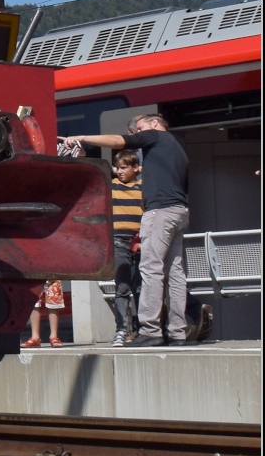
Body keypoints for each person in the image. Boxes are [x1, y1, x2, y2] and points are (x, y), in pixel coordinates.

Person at [75, 113, 189, 346]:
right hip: (180, 211)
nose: (137, 133)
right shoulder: (178, 149)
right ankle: (178, 332)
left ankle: (150, 330)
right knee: (175, 274)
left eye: (140, 128)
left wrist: (84, 137)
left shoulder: (155, 137)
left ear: (156, 124)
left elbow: (119, 141)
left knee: (150, 269)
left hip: (160, 211)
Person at [108, 149, 144, 346]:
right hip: (118, 240)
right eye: (117, 167)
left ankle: (141, 329)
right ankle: (121, 329)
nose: (119, 171)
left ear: (136, 168)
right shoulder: (112, 186)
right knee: (122, 287)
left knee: (140, 287)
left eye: (124, 167)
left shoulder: (142, 187)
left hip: (139, 241)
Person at [24, 278, 66, 347]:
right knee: (34, 300)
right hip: (34, 271)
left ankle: (54, 336)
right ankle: (35, 337)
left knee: (54, 299)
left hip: (52, 270)